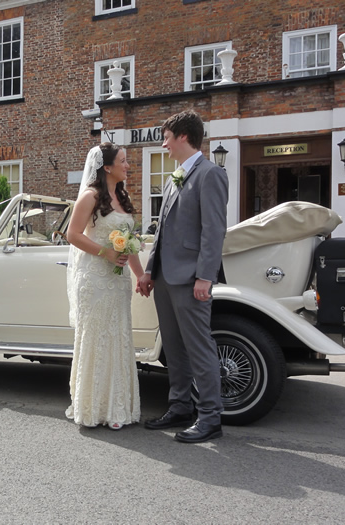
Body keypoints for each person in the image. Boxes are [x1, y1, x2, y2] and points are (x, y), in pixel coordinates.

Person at [137, 110, 229, 443]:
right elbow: (162, 231)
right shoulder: (176, 176)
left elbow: (213, 230)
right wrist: (149, 271)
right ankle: (180, 407)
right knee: (174, 349)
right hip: (164, 278)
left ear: (184, 137)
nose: (164, 145)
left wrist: (205, 276)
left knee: (199, 348)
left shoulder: (210, 175)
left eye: (167, 138)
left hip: (191, 279)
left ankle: (210, 417)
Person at [66, 142, 144, 430]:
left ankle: (117, 406)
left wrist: (140, 275)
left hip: (118, 281)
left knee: (118, 338)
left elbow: (130, 244)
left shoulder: (122, 198)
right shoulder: (90, 196)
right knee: (97, 339)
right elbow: (72, 235)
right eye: (123, 161)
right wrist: (106, 252)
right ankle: (93, 407)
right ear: (107, 167)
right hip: (95, 281)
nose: (127, 165)